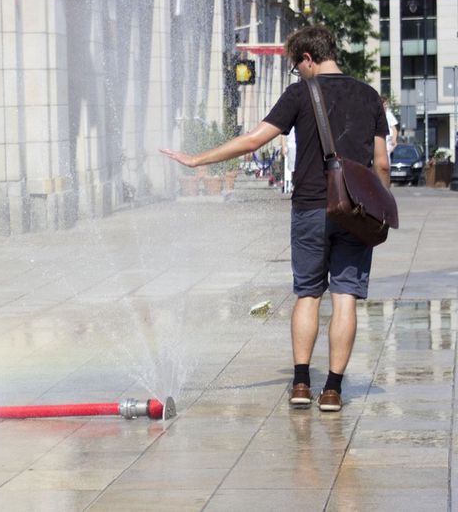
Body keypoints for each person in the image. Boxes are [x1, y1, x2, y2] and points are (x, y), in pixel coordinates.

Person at [161, 26, 390, 412]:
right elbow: (381, 163)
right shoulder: (368, 95)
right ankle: (332, 390)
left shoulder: (301, 93)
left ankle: (301, 384)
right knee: (346, 296)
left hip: (310, 208)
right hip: (355, 211)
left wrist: (196, 160)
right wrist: (377, 207)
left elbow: (253, 140)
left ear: (306, 58)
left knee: (307, 293)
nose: (296, 74)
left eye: (295, 67)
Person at [281, 130, 297, 194]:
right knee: (293, 168)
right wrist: (283, 146)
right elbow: (283, 135)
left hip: (300, 145)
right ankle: (294, 185)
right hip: (292, 146)